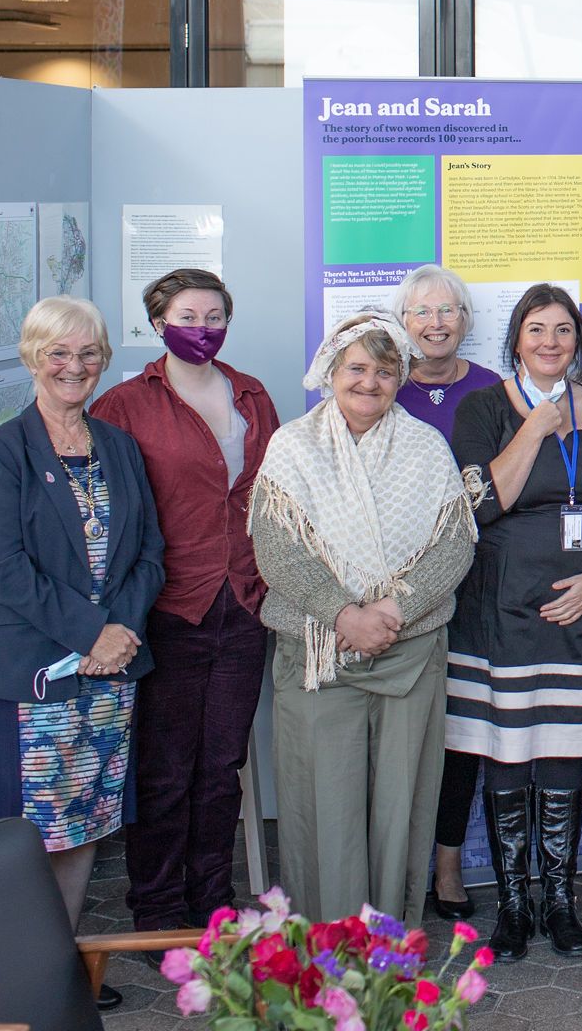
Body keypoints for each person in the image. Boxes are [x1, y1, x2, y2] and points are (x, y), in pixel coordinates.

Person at [0, 297, 164, 1014]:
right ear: (31, 358)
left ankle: (59, 976)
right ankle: (14, 988)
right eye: (59, 354)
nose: (75, 368)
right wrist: (90, 633)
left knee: (85, 824)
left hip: (108, 677)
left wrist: (120, 631)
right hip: (29, 680)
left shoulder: (118, 446)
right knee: (27, 836)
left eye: (89, 353)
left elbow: (149, 556)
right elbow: (0, 570)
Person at [249, 311, 475, 924]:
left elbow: (454, 543)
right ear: (331, 370)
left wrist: (392, 610)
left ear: (400, 377)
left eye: (383, 370)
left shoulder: (426, 448)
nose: (369, 382)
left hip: (408, 654)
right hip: (319, 656)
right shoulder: (292, 447)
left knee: (400, 806)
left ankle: (389, 944)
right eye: (357, 368)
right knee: (323, 808)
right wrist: (343, 615)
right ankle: (325, 946)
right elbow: (276, 548)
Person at [446, 284, 582, 960]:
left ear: (578, 342)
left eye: (564, 331)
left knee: (561, 754)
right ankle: (511, 907)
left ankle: (559, 904)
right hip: (498, 608)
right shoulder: (482, 409)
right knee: (505, 759)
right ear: (516, 339)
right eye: (537, 330)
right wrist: (536, 426)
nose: (551, 343)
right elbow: (478, 503)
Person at [91, 269, 278, 936]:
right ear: (158, 321)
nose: (201, 328)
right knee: (165, 769)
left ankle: (212, 903)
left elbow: (273, 497)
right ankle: (157, 911)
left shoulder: (251, 394)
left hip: (244, 602)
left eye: (214, 315)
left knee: (221, 765)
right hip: (166, 608)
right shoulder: (124, 404)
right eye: (188, 316)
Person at [388, 264, 503, 923]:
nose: (435, 324)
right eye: (421, 313)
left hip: (482, 584)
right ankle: (395, 867)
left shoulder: (494, 390)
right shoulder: (382, 386)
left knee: (464, 731)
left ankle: (449, 863)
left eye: (447, 311)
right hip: (403, 586)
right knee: (410, 733)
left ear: (465, 320)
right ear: (403, 325)